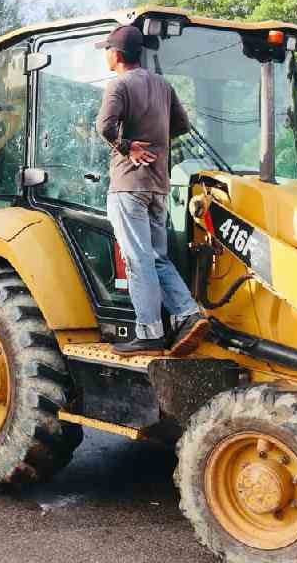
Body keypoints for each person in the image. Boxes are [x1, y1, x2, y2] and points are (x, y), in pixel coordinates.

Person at [94, 24, 210, 357]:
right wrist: (157, 138)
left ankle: (148, 331)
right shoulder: (162, 86)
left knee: (137, 259)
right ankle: (187, 314)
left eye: (107, 50)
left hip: (129, 186)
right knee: (158, 256)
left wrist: (128, 145)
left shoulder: (118, 85)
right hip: (159, 186)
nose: (106, 55)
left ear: (116, 55)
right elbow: (183, 125)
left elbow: (104, 126)